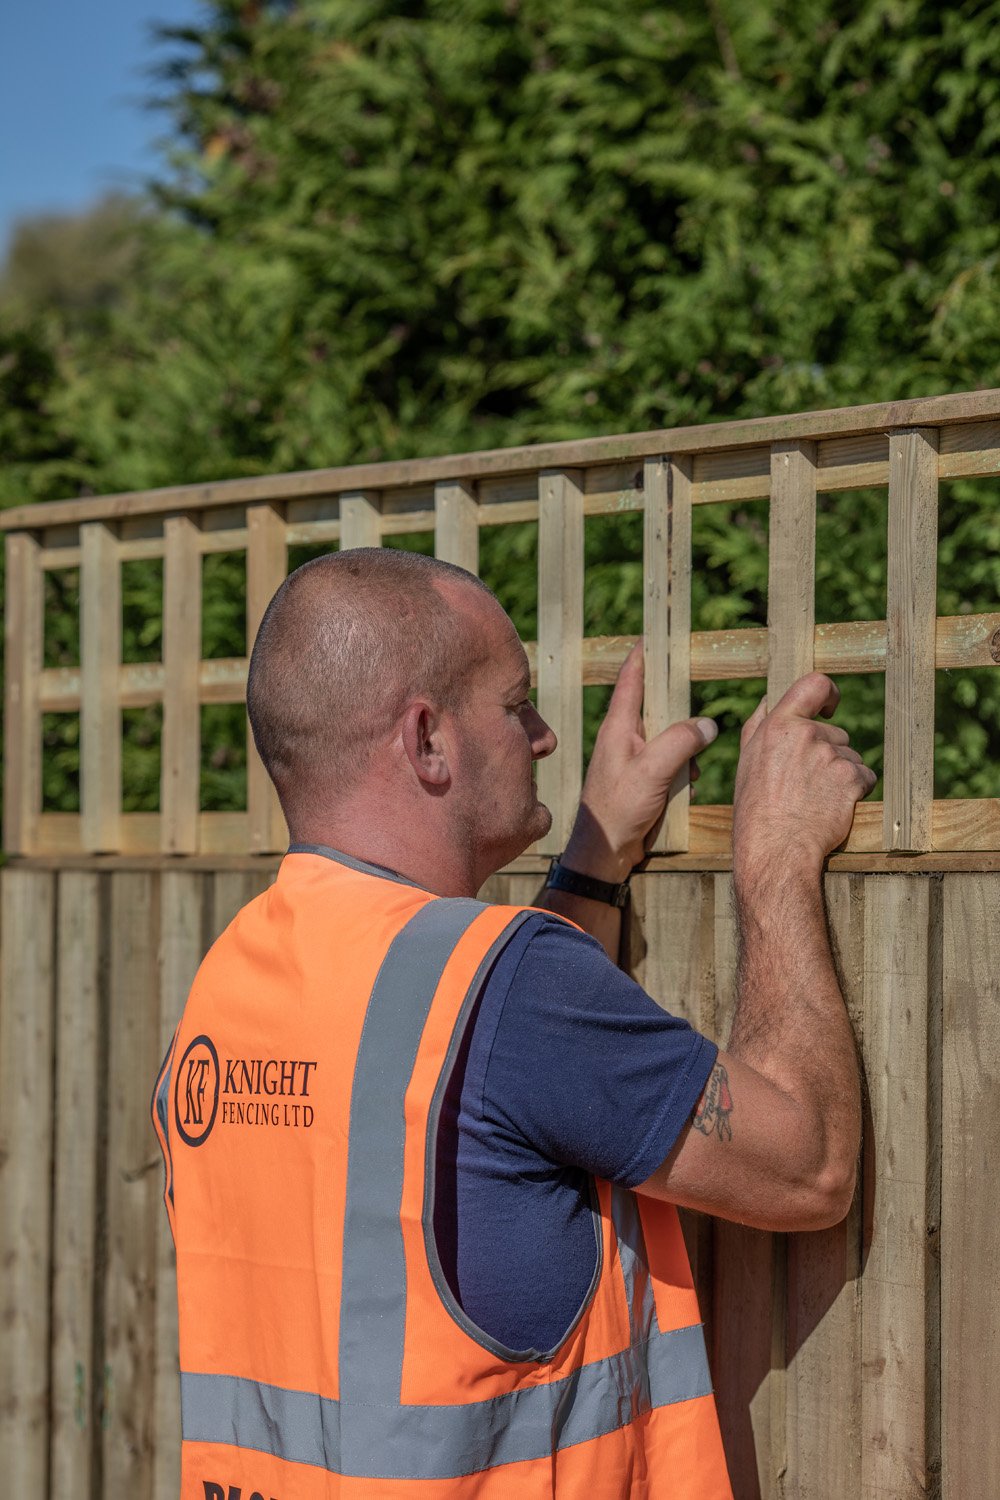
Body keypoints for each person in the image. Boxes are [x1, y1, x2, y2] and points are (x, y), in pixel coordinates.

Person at [153, 547, 875, 1500]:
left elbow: (483, 1093)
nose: (541, 736)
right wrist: (776, 856)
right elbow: (809, 1166)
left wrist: (592, 862)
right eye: (515, 702)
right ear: (425, 741)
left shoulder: (229, 985)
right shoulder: (511, 988)